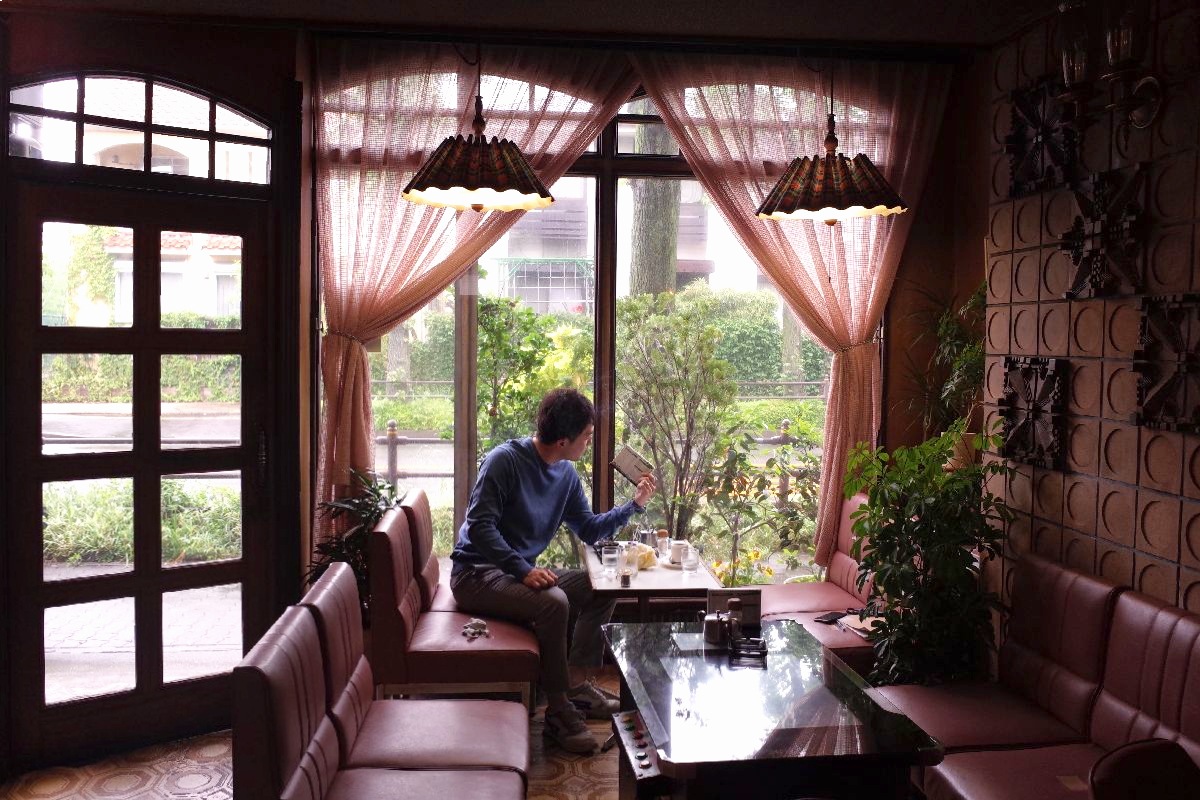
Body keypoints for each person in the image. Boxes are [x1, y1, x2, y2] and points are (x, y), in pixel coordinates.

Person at [450, 388, 655, 754]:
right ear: (564, 440)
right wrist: (522, 570)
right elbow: (480, 527)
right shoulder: (504, 461)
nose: (589, 443)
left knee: (601, 587)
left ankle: (576, 686)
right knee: (554, 602)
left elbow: (590, 529)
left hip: (514, 573)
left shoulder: (565, 475)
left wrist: (634, 505)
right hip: (476, 574)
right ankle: (558, 713)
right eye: (588, 436)